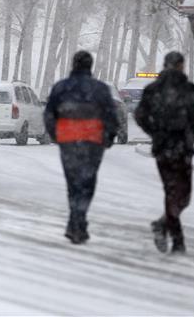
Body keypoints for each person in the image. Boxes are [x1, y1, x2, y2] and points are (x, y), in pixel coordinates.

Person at [44, 50, 119, 244]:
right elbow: (110, 115)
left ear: (73, 64)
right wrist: (109, 136)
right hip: (93, 141)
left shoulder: (61, 87)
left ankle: (75, 220)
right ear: (90, 66)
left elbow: (49, 114)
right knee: (87, 181)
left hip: (68, 140)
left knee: (73, 182)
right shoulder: (100, 89)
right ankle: (79, 219)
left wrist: (56, 135)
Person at [134, 51, 194, 254]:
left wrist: (156, 132)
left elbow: (140, 115)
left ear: (165, 66)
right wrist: (189, 136)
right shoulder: (189, 90)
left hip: (164, 147)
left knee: (172, 191)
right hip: (182, 148)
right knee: (182, 195)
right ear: (181, 66)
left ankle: (163, 225)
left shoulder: (153, 90)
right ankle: (177, 239)